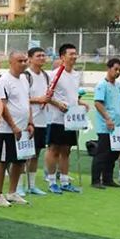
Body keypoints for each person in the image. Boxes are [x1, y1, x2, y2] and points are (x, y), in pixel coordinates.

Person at [0, 51, 33, 206]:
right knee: (3, 161)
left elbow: (27, 102)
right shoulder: (4, 81)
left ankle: (12, 192)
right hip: (7, 130)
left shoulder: (24, 79)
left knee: (19, 161)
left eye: (25, 60)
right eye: (20, 61)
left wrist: (30, 123)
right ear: (11, 62)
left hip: (23, 129)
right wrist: (13, 126)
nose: (23, 63)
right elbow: (2, 106)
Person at [45, 43, 86, 194]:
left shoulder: (76, 75)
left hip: (72, 118)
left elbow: (73, 95)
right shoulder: (54, 75)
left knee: (67, 150)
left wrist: (80, 104)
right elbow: (47, 95)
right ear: (63, 57)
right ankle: (51, 181)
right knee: (54, 149)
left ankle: (64, 181)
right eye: (71, 54)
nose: (74, 57)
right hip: (56, 118)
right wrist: (58, 104)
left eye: (75, 54)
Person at [91, 58, 120, 189]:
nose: (117, 72)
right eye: (115, 69)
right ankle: (95, 180)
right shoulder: (102, 85)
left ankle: (108, 179)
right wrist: (107, 118)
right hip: (106, 126)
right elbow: (98, 103)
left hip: (118, 126)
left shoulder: (119, 86)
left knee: (114, 154)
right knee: (102, 153)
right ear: (109, 68)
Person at [22, 47, 51, 195]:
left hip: (42, 120)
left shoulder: (45, 76)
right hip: (27, 121)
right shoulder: (26, 76)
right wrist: (38, 100)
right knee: (23, 155)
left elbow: (47, 96)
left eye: (43, 55)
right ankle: (19, 185)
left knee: (36, 154)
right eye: (38, 56)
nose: (42, 58)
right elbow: (21, 98)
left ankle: (31, 185)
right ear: (30, 58)